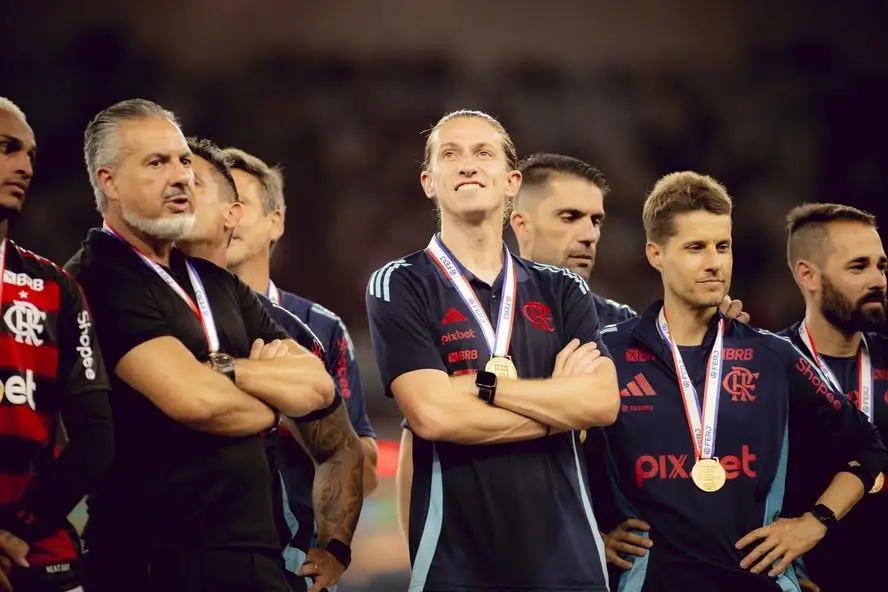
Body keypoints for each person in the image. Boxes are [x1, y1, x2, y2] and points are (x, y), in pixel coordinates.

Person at [64, 98, 334, 592]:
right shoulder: (96, 277)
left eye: (184, 159)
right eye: (156, 162)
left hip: (255, 551)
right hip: (155, 557)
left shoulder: (216, 281)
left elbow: (318, 388)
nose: (182, 175)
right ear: (108, 182)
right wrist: (273, 406)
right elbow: (197, 402)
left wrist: (222, 369)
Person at [366, 109, 620, 591]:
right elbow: (432, 416)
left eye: (483, 153)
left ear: (511, 182)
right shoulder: (399, 283)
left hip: (569, 562)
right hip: (457, 564)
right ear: (428, 181)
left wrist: (485, 387)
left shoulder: (563, 288)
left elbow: (602, 402)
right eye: (450, 154)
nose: (467, 165)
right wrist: (559, 406)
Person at [597, 171, 887, 592]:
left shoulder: (775, 355)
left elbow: (870, 449)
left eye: (723, 246)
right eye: (695, 248)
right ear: (655, 254)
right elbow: (556, 461)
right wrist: (595, 536)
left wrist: (815, 522)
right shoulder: (609, 352)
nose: (714, 262)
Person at [177, 136, 364, 592]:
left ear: (232, 214)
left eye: (193, 183)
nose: (177, 191)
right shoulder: (130, 292)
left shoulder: (298, 328)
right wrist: (267, 400)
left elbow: (343, 445)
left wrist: (334, 547)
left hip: (269, 560)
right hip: (150, 553)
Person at [0, 98, 114, 592]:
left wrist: (16, 530)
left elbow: (95, 441)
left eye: (29, 153)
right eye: (6, 148)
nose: (24, 165)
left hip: (36, 551)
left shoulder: (55, 287)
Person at [778, 202, 888, 592]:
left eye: (881, 266)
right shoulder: (769, 365)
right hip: (804, 578)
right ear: (807, 275)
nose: (877, 280)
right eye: (859, 267)